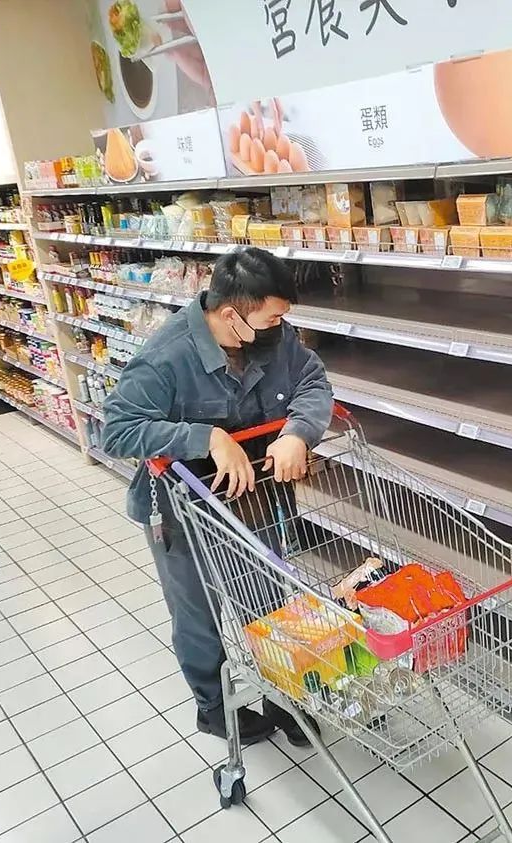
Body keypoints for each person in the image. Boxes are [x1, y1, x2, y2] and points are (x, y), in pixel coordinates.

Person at [102, 246, 333, 747]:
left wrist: (297, 432)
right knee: (198, 616)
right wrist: (205, 437)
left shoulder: (273, 338)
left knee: (268, 604)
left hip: (254, 499)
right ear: (232, 315)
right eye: (273, 317)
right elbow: (116, 430)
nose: (281, 326)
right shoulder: (166, 357)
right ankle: (213, 708)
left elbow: (312, 380)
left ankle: (284, 696)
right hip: (181, 511)